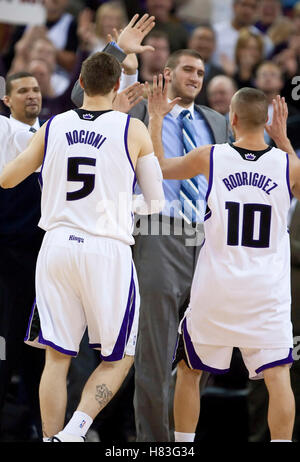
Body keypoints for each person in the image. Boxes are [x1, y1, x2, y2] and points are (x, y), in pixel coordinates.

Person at [0, 48, 165, 442]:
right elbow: (157, 203)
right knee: (121, 356)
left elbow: (7, 179)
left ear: (81, 84)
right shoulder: (132, 129)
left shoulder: (54, 126)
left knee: (56, 356)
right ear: (115, 86)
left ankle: (50, 438)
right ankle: (73, 433)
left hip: (55, 246)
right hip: (105, 249)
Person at [147, 76, 299, 442]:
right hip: (267, 295)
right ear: (267, 120)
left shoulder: (210, 156)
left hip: (217, 291)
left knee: (189, 371)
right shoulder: (289, 166)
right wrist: (284, 140)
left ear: (231, 119)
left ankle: (182, 447)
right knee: (279, 378)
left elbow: (159, 168)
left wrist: (155, 118)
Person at [133, 48, 228, 442]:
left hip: (207, 239)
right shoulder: (139, 110)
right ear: (169, 72)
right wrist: (118, 51)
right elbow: (81, 100)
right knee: (155, 350)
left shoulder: (219, 122)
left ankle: (182, 439)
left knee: (202, 349)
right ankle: (154, 443)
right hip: (159, 230)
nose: (195, 77)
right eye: (188, 69)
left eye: (201, 72)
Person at [0, 72, 45, 440]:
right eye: (22, 91)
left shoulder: (57, 134)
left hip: (48, 260)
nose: (31, 95)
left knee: (40, 352)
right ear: (6, 100)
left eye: (35, 89)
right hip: (8, 258)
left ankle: (39, 427)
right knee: (5, 346)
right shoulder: (4, 131)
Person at [187, 25, 224, 106]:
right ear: (190, 42)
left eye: (208, 40)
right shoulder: (177, 69)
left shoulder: (221, 74)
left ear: (214, 46)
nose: (203, 44)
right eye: (200, 39)